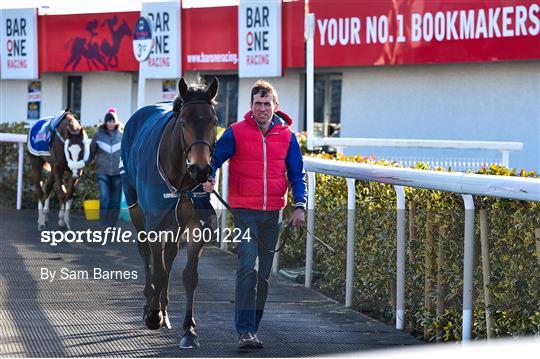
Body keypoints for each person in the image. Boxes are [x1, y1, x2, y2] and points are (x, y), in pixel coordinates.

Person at [202, 80, 307, 350]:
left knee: (263, 275)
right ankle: (245, 331)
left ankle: (253, 328)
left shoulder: (287, 136)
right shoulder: (235, 132)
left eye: (267, 103)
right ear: (251, 106)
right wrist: (209, 177)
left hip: (273, 214)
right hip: (245, 212)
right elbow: (213, 160)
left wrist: (299, 205)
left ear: (275, 106)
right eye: (258, 104)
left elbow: (297, 174)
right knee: (247, 268)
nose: (262, 108)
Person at [87, 108, 123, 228]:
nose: (111, 124)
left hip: (118, 173)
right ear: (105, 122)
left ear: (116, 122)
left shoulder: (122, 136)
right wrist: (85, 164)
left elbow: (127, 155)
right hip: (102, 171)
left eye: (113, 121)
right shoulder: (98, 135)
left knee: (115, 202)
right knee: (105, 198)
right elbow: (92, 152)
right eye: (109, 121)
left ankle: (111, 226)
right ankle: (103, 225)